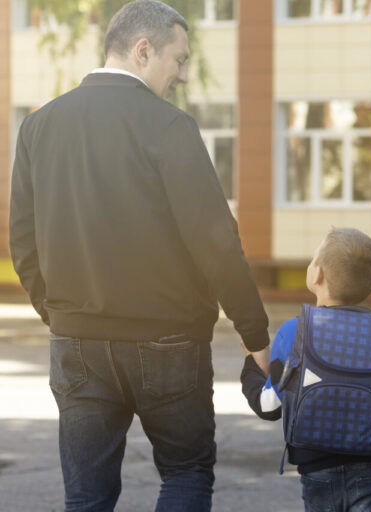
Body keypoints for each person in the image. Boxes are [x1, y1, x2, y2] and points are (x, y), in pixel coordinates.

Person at [9, 1, 270, 510]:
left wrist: (62, 315)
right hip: (168, 342)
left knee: (86, 497)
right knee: (187, 473)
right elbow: (216, 242)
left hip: (77, 343)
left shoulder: (38, 127)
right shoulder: (169, 127)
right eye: (179, 59)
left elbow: (23, 242)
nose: (184, 75)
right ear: (143, 50)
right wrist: (255, 336)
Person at [240, 227, 371, 512]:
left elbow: (269, 405)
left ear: (318, 275)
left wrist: (251, 366)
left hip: (318, 470)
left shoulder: (295, 331)